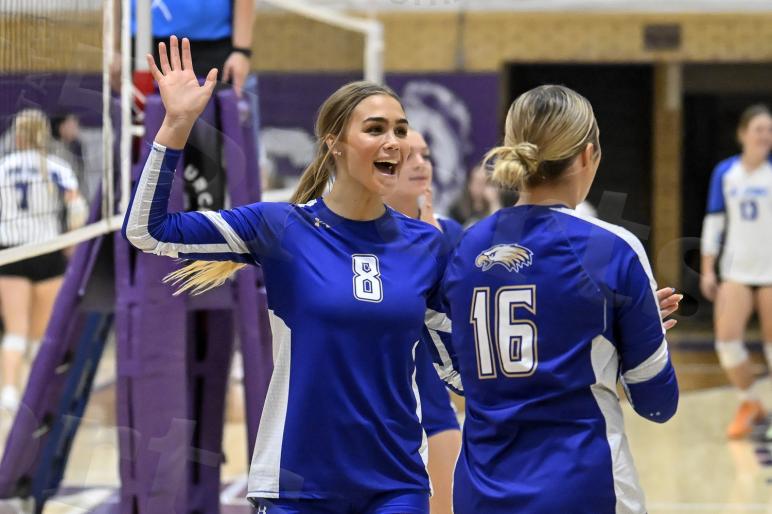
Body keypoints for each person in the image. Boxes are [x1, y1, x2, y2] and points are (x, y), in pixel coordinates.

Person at [124, 36, 456, 514]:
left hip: (395, 485)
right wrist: (175, 125)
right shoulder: (280, 228)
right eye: (376, 129)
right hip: (296, 484)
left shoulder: (427, 245)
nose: (394, 142)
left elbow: (458, 370)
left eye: (401, 130)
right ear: (334, 144)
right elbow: (148, 231)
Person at [432, 85, 680, 514]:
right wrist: (634, 331)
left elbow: (458, 374)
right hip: (586, 489)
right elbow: (657, 403)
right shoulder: (611, 248)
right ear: (588, 155)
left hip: (480, 493)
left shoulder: (464, 247)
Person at [383, 130, 461, 514]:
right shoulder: (356, 240)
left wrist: (438, 250)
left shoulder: (450, 234)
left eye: (425, 154)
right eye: (407, 156)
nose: (420, 164)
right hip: (374, 419)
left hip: (434, 411)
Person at [0, 109, 87, 410]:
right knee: (40, 335)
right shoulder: (56, 167)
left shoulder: (3, 167)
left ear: (18, 136)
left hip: (11, 253)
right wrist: (72, 242)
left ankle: (9, 392)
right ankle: (36, 397)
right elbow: (78, 209)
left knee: (15, 331)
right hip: (47, 251)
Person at [700, 104, 772, 439]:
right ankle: (750, 402)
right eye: (759, 129)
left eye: (769, 131)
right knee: (727, 342)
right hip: (736, 270)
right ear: (743, 134)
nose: (765, 136)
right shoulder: (725, 172)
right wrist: (707, 269)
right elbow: (714, 222)